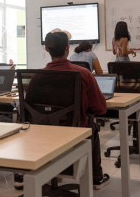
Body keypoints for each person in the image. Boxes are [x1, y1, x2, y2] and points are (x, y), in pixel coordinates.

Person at [43, 31, 110, 189]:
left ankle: (52, 173)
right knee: (92, 128)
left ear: (46, 49)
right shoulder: (83, 74)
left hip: (44, 133)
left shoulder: (37, 76)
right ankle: (96, 178)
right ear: (67, 47)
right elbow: (100, 108)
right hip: (74, 132)